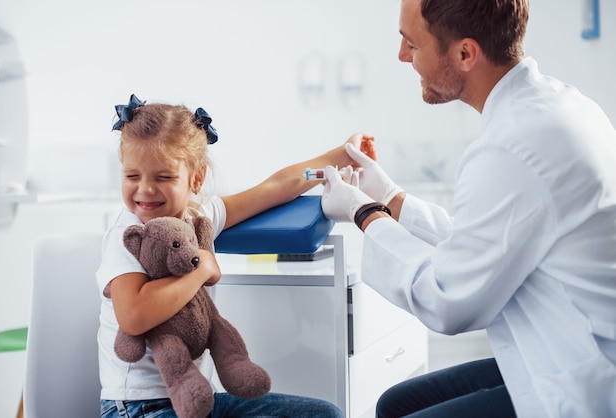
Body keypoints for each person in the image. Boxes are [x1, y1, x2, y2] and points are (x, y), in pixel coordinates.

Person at [320, 0, 616, 417]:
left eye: (411, 43)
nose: (402, 56)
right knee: (394, 403)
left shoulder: (512, 146)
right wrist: (390, 196)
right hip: (576, 347)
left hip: (584, 384)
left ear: (464, 53)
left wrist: (365, 214)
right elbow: (486, 240)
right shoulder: (558, 107)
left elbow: (447, 300)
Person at [97, 94, 362, 418]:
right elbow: (133, 316)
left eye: (163, 177)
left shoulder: (200, 215)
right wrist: (199, 270)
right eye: (132, 176)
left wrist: (342, 157)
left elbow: (277, 185)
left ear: (196, 178)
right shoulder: (127, 232)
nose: (145, 189)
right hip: (139, 407)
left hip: (200, 401)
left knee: (324, 415)